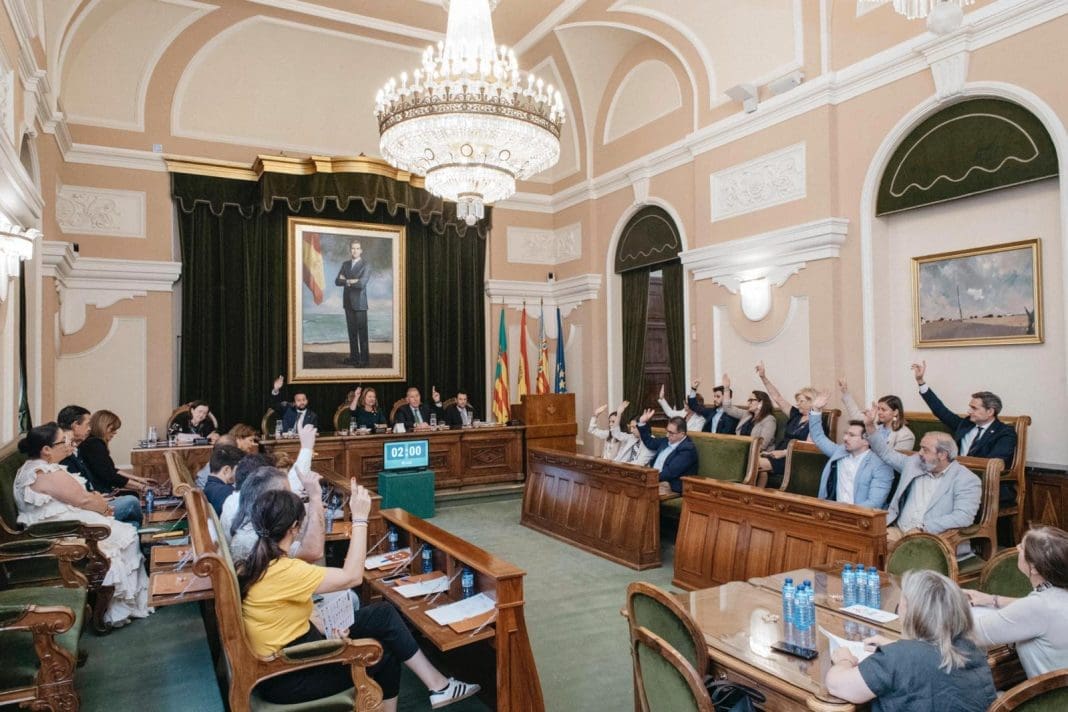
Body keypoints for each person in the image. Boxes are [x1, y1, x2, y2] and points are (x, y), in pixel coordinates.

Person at [237, 483, 479, 710]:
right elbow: (353, 577)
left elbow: (281, 614)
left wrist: (321, 629)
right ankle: (438, 686)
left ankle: (439, 686)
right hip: (290, 676)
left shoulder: (259, 561)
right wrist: (361, 518)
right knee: (382, 655)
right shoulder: (284, 569)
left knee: (382, 614)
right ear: (294, 528)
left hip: (293, 654)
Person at [14, 423, 150, 626]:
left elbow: (81, 498)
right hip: (62, 531)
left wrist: (98, 503)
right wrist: (103, 507)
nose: (68, 445)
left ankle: (126, 603)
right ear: (46, 450)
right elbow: (83, 501)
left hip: (61, 524)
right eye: (63, 441)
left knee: (125, 529)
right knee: (127, 534)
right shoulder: (45, 473)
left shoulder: (35, 469)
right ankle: (118, 609)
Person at [824, 569, 996, 711]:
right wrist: (896, 646)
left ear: (908, 608)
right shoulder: (972, 648)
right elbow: (931, 657)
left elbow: (837, 685)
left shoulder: (900, 657)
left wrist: (844, 660)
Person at [862, 407, 981, 542]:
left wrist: (923, 528)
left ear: (942, 455)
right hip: (899, 530)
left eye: (925, 449)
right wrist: (870, 425)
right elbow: (885, 453)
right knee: (869, 544)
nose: (919, 453)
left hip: (933, 538)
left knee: (894, 553)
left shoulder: (967, 479)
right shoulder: (914, 463)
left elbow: (963, 516)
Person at [966, 525, 1068, 678]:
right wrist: (992, 600)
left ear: (1033, 567)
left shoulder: (1037, 607)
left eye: (1021, 547)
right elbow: (1042, 611)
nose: (1017, 547)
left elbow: (973, 633)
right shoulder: (1054, 594)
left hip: (1048, 698)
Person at [912, 360, 1017, 503]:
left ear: (990, 411)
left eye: (974, 408)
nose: (969, 411)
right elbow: (940, 411)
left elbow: (994, 463)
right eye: (970, 407)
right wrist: (921, 382)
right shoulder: (966, 424)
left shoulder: (1005, 433)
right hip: (951, 477)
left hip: (983, 484)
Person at [57, 404, 142, 525]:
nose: (90, 429)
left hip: (94, 498)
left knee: (133, 523)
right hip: (84, 509)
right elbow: (72, 492)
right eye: (88, 424)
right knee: (132, 501)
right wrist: (96, 499)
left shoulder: (77, 448)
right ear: (75, 425)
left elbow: (108, 471)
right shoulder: (64, 453)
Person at [809, 393, 893, 509]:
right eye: (846, 434)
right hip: (831, 513)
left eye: (851, 435)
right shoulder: (840, 451)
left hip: (861, 518)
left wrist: (847, 513)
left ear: (867, 441)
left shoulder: (880, 465)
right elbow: (818, 437)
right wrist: (816, 410)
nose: (845, 438)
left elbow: (874, 503)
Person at [754, 361, 815, 488]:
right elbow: (777, 397)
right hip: (776, 454)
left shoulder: (816, 423)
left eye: (801, 401)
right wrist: (763, 377)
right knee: (755, 464)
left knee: (752, 463)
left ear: (812, 402)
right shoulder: (795, 415)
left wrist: (782, 453)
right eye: (797, 401)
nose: (798, 404)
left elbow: (808, 448)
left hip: (792, 459)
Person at [80, 410, 155, 497]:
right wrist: (142, 487)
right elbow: (110, 476)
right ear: (102, 427)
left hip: (101, 488)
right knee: (133, 496)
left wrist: (139, 479)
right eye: (113, 429)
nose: (115, 432)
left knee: (133, 494)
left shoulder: (94, 443)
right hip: (100, 492)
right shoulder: (94, 445)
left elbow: (111, 470)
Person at [720, 375, 778, 472]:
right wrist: (726, 388)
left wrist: (741, 451)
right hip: (741, 450)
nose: (749, 403)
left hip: (758, 454)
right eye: (748, 400)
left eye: (752, 400)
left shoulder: (769, 420)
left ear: (761, 403)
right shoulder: (747, 414)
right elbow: (728, 408)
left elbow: (762, 445)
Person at [838, 379, 915, 451]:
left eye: (884, 410)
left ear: (895, 412)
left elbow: (896, 461)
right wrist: (845, 391)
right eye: (879, 409)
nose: (879, 412)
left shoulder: (906, 435)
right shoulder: (875, 425)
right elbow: (856, 416)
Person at [635, 409, 698, 495]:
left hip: (671, 486)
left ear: (682, 434)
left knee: (639, 493)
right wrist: (642, 422)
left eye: (671, 433)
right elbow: (650, 443)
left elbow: (670, 472)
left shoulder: (687, 449)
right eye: (667, 431)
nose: (667, 435)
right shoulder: (667, 440)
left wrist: (649, 478)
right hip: (656, 480)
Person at [334, 239, 371, 367]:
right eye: (353, 248)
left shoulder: (366, 265)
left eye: (357, 248)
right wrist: (351, 281)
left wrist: (346, 280)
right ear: (350, 250)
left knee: (362, 333)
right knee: (352, 332)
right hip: (348, 303)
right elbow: (337, 281)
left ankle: (364, 360)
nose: (355, 251)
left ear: (361, 250)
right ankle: (354, 357)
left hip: (360, 304)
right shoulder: (345, 264)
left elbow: (361, 284)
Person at [202, 444, 246, 515]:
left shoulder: (210, 488)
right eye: (239, 469)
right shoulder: (226, 492)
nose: (241, 472)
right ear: (226, 470)